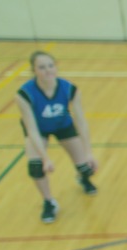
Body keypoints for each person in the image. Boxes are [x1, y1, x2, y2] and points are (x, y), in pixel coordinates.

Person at [15, 51, 99, 223]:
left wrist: (89, 152)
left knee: (86, 167)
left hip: (63, 125)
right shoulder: (24, 94)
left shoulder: (70, 89)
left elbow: (81, 122)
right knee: (36, 166)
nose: (47, 70)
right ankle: (49, 202)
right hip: (38, 130)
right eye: (41, 67)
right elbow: (31, 130)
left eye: (50, 66)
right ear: (33, 70)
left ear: (56, 66)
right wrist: (45, 158)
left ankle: (82, 178)